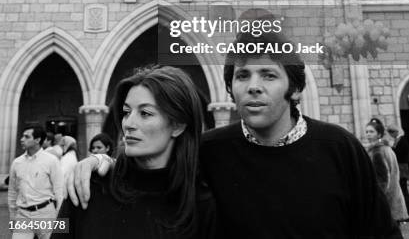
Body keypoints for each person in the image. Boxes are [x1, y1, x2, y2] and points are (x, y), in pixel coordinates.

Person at [67, 24, 402, 238]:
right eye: (242, 76)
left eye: (268, 75)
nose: (253, 87)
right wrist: (103, 162)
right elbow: (154, 178)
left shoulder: (339, 148)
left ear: (295, 88)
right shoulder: (210, 150)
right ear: (230, 88)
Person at [55, 65, 217, 238]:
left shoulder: (202, 202)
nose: (128, 124)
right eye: (126, 112)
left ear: (177, 125)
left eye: (145, 113)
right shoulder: (88, 184)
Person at [8, 125, 63, 239]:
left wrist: (58, 217)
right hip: (22, 214)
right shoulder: (17, 162)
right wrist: (13, 216)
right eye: (22, 136)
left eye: (26, 136)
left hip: (45, 213)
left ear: (38, 140)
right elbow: (12, 192)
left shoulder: (51, 160)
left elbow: (59, 190)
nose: (21, 139)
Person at [365, 118, 408, 223]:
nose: (368, 134)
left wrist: (376, 201)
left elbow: (382, 180)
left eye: (371, 132)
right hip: (393, 201)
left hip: (386, 204)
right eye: (366, 132)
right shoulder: (386, 148)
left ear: (379, 134)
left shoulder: (377, 151)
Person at [387, 123, 409, 212]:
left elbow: (400, 153)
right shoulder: (398, 140)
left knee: (403, 189)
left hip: (402, 167)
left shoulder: (402, 140)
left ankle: (407, 209)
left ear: (395, 132)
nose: (391, 136)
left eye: (391, 133)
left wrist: (391, 149)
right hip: (401, 167)